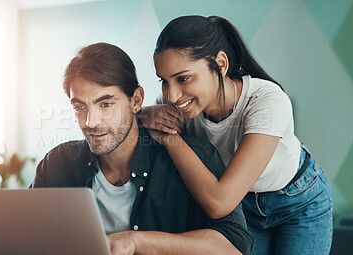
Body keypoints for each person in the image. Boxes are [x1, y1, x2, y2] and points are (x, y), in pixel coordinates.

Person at [30, 42, 254, 255]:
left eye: (106, 104)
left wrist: (137, 242)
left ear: (136, 100)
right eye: (79, 107)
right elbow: (28, 234)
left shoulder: (195, 156)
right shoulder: (58, 163)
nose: (91, 122)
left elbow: (233, 247)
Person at [139, 15, 333, 255]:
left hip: (296, 203)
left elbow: (219, 203)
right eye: (164, 81)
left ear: (220, 64)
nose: (172, 95)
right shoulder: (174, 105)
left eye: (183, 78)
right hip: (242, 210)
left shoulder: (267, 101)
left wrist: (170, 137)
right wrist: (142, 114)